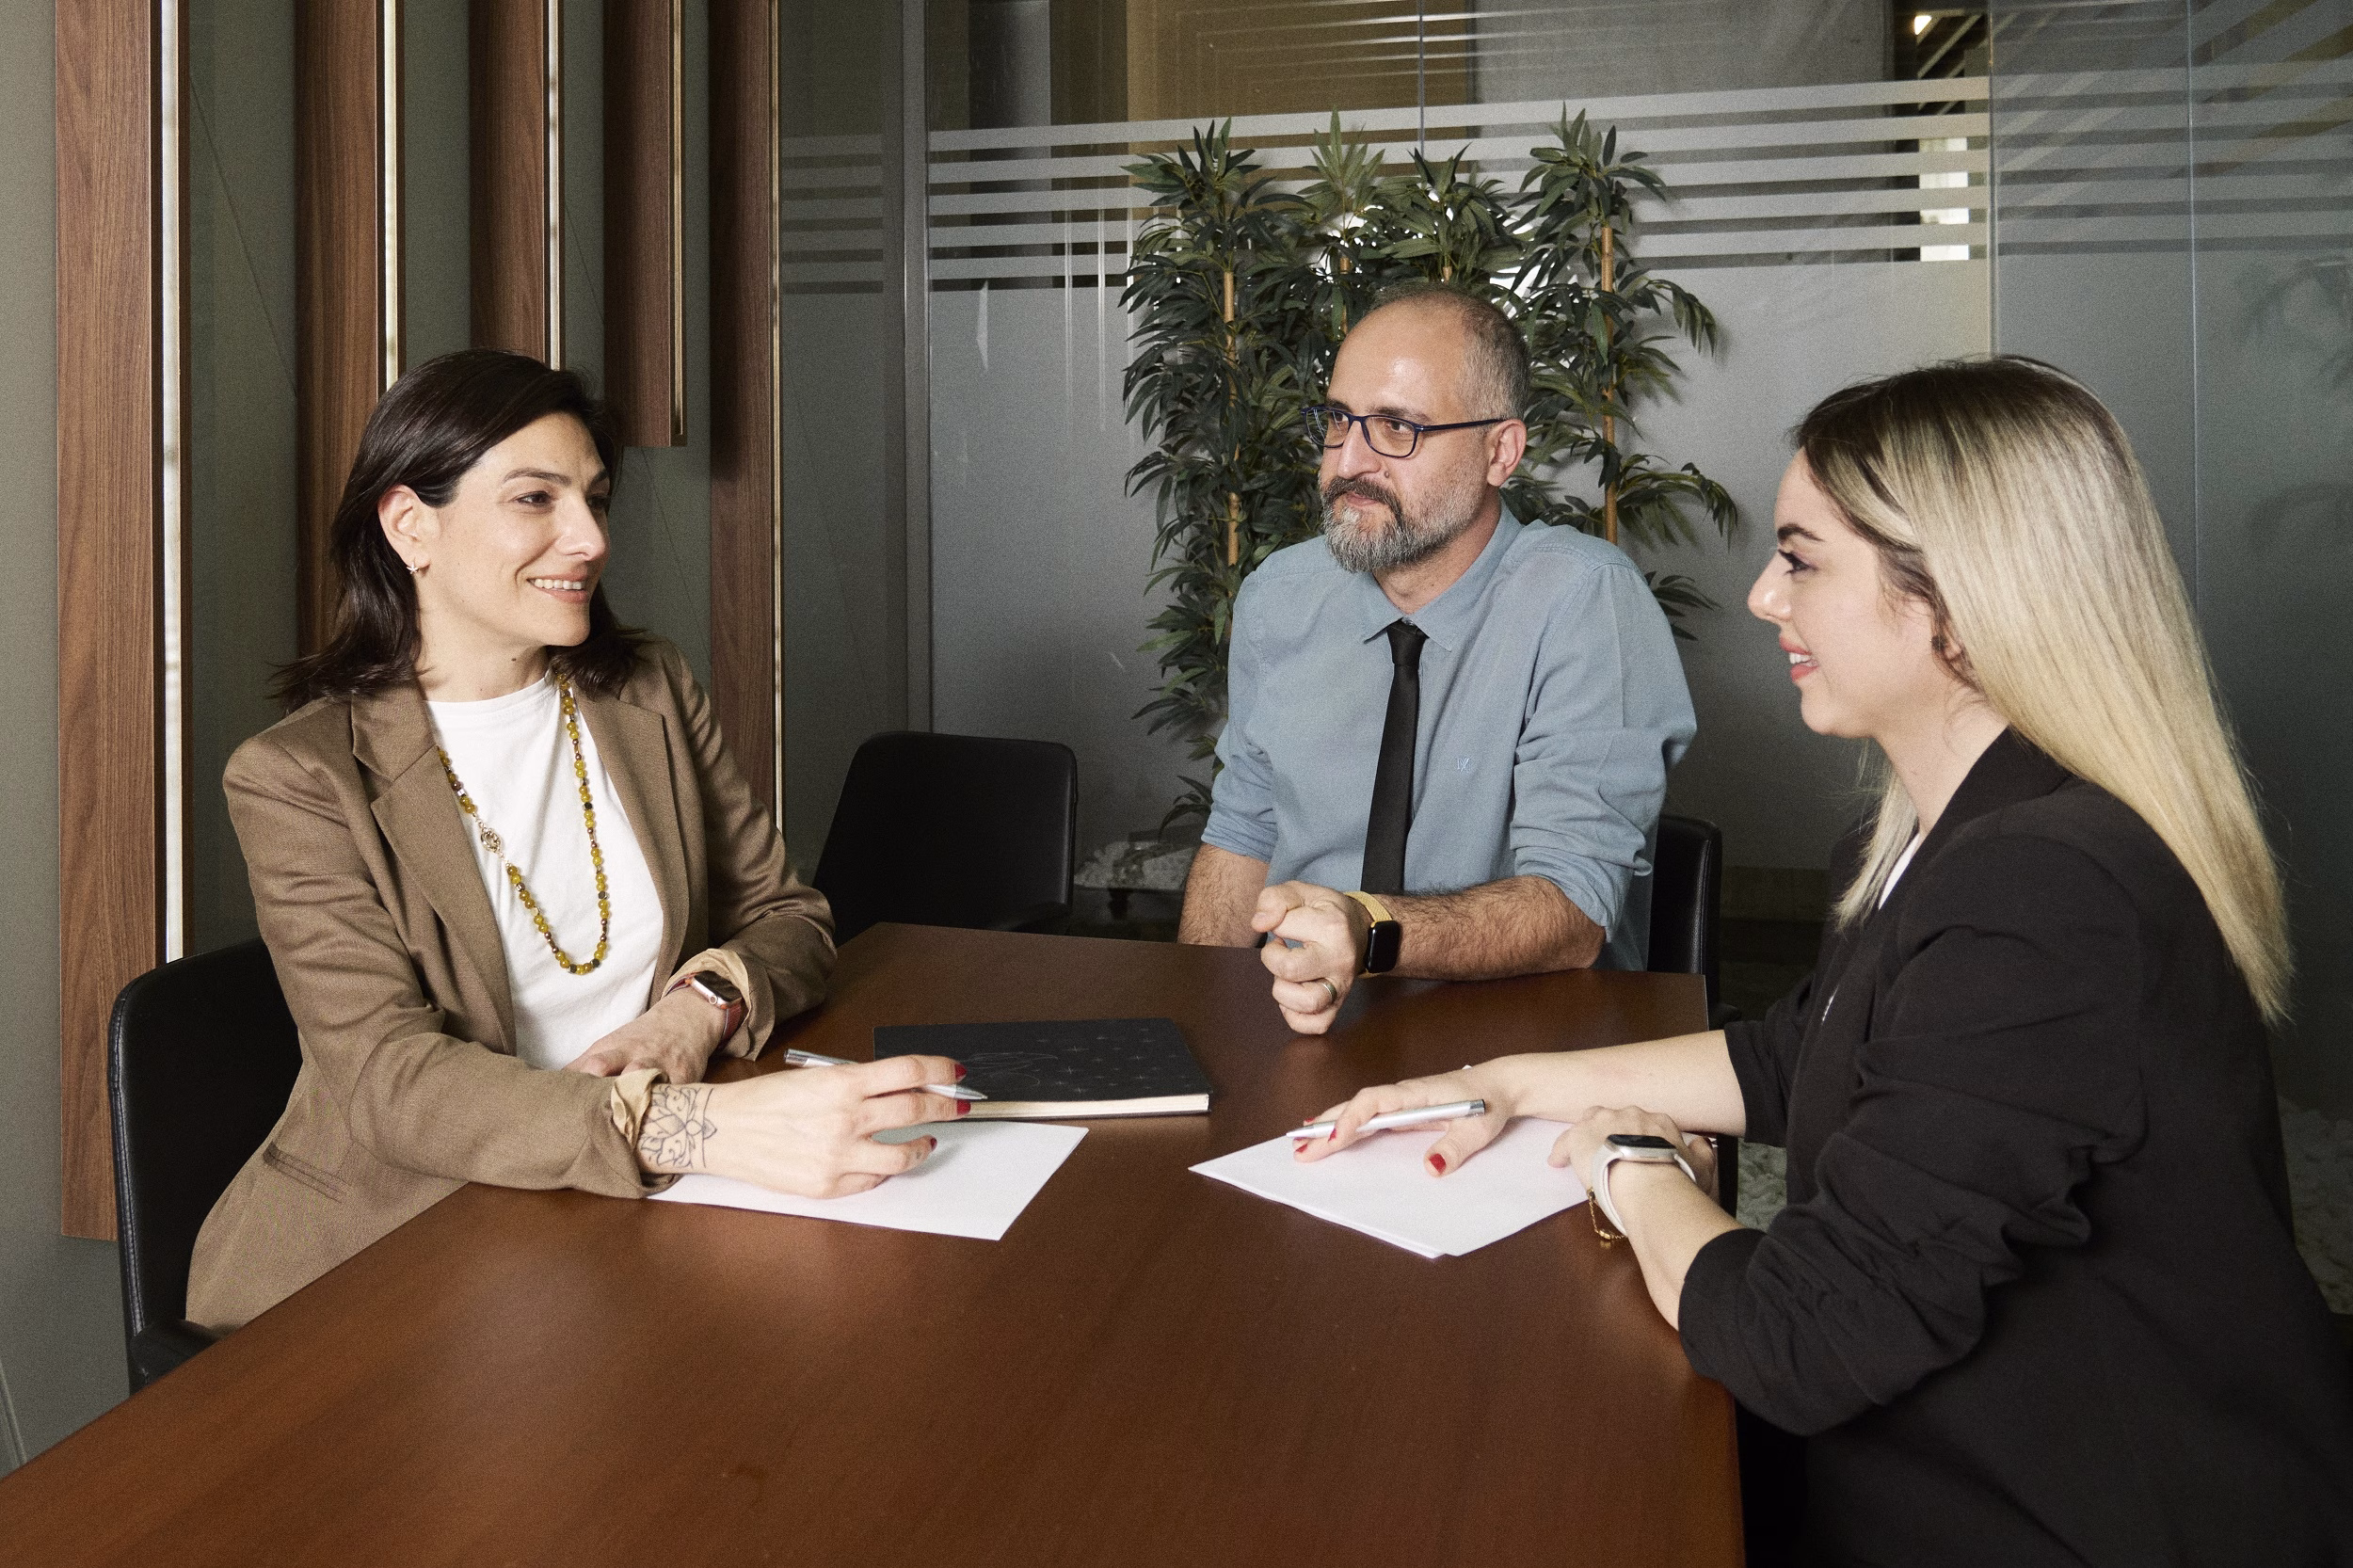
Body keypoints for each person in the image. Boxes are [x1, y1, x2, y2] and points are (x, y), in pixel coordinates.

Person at [1298, 357, 2353, 1562]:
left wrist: (1635, 1170)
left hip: (2066, 1510)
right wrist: (1519, 1081)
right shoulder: (1940, 831)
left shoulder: (2047, 890)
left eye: (1800, 559)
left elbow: (1802, 1338)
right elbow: (1808, 1054)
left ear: (1954, 602)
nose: (1760, 597)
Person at [188, 350, 965, 1333]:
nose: (589, 538)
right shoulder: (298, 776)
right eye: (535, 499)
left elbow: (786, 918)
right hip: (394, 1250)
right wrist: (692, 1127)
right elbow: (391, 1082)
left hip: (606, 1224)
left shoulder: (645, 687)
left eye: (594, 498)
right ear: (408, 525)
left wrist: (698, 1011)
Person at [1178, 283, 1694, 1034]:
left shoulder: (1584, 600)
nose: (1348, 462)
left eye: (1396, 427)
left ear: (1500, 452)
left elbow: (1575, 904)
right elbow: (1243, 834)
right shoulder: (1278, 596)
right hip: (1300, 1023)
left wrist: (1370, 931)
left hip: (1515, 1040)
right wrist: (1198, 1026)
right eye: (1336, 420)